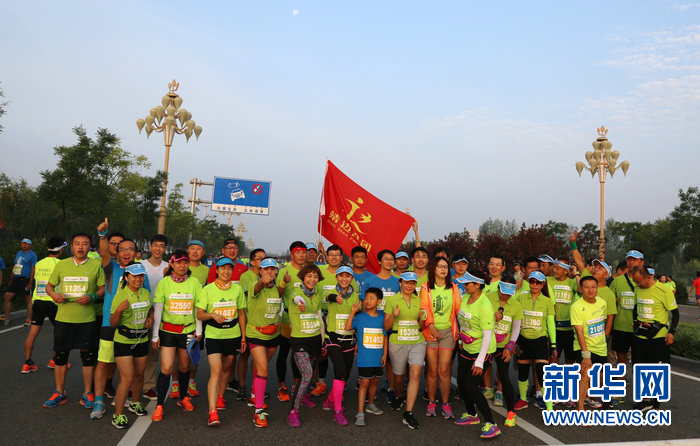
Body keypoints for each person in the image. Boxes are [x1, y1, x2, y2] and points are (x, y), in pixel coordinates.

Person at [92, 221, 148, 419]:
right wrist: (102, 235)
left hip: (133, 329)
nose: (126, 252)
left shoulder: (141, 273)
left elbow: (147, 299)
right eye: (122, 249)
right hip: (110, 325)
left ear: (136, 253)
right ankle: (98, 401)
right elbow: (104, 252)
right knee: (104, 363)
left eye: (130, 249)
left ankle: (129, 399)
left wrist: (149, 318)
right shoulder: (111, 268)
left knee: (130, 370)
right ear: (116, 252)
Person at [43, 233, 105, 408]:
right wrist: (54, 295)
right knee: (60, 356)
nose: (81, 247)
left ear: (89, 247)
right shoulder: (61, 265)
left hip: (87, 320)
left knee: (88, 358)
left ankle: (87, 393)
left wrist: (92, 297)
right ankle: (59, 392)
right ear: (71, 246)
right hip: (64, 319)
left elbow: (102, 289)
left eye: (85, 244)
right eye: (77, 243)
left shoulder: (96, 265)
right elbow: (49, 286)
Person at [151, 250, 203, 422]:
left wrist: (199, 330)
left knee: (184, 366)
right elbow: (158, 310)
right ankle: (160, 405)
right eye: (179, 262)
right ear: (172, 264)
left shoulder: (194, 282)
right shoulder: (164, 283)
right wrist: (155, 335)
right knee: (166, 368)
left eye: (185, 262)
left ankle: (183, 397)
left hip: (187, 331)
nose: (182, 266)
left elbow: (198, 307)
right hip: (168, 331)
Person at [196, 257, 247, 427]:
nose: (226, 272)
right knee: (216, 371)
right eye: (223, 268)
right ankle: (212, 412)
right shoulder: (208, 289)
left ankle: (220, 396)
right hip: (214, 335)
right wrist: (212, 315)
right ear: (216, 270)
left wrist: (243, 337)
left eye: (229, 269)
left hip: (232, 334)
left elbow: (241, 313)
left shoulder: (237, 289)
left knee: (227, 368)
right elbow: (199, 314)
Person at [452, 271, 501, 439]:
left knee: (471, 386)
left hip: (483, 351)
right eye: (464, 283)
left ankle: (491, 424)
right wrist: (461, 338)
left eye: (467, 284)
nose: (464, 286)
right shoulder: (466, 297)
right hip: (467, 348)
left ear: (478, 285)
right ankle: (472, 415)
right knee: (461, 382)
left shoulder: (485, 305)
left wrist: (480, 361)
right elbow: (464, 321)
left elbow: (487, 335)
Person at [109, 262, 153, 428]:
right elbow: (112, 323)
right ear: (127, 277)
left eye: (141, 276)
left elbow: (150, 309)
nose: (138, 279)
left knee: (139, 375)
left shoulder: (145, 293)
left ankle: (135, 403)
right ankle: (118, 414)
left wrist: (151, 317)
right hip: (124, 341)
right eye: (134, 276)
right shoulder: (120, 295)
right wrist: (119, 310)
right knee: (127, 378)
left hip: (141, 339)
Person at [630, 265, 679, 411]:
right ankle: (644, 399)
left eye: (639, 281)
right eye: (635, 282)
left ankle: (654, 402)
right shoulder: (637, 289)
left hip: (658, 336)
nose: (637, 284)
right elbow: (635, 307)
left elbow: (675, 314)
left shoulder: (664, 290)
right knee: (638, 368)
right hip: (639, 334)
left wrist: (671, 332)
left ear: (649, 277)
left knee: (654, 369)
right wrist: (635, 322)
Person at [420, 256, 461, 419]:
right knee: (432, 370)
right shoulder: (426, 287)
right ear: (433, 269)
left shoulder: (454, 287)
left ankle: (445, 404)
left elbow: (459, 309)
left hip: (448, 333)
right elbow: (424, 307)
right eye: (439, 266)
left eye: (445, 266)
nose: (443, 269)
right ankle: (431, 402)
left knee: (444, 370)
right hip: (431, 332)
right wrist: (431, 326)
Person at [385, 272, 425, 430]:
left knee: (415, 373)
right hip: (398, 342)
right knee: (399, 377)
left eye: (412, 283)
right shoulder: (392, 300)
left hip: (417, 341)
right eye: (406, 282)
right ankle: (400, 396)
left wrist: (422, 319)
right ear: (400, 283)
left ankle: (408, 412)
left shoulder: (419, 300)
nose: (409, 286)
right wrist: (393, 316)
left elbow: (422, 326)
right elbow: (386, 326)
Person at [246, 257, 283, 428]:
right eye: (266, 269)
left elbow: (281, 294)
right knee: (263, 369)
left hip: (273, 334)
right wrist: (263, 281)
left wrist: (284, 282)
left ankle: (254, 394)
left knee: (261, 365)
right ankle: (258, 412)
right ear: (260, 271)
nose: (270, 272)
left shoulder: (276, 289)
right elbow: (259, 286)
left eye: (272, 269)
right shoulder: (255, 286)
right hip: (256, 333)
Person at [286, 264, 325, 427]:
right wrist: (301, 303)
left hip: (315, 340)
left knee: (310, 373)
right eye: (309, 276)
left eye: (315, 276)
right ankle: (293, 411)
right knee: (307, 374)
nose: (312, 279)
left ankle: (304, 396)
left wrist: (323, 341)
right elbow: (297, 299)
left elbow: (319, 318)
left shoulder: (317, 295)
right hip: (299, 341)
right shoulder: (296, 292)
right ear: (303, 277)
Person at [322, 265, 360, 425]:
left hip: (349, 339)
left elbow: (358, 318)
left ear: (352, 278)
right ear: (336, 277)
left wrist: (358, 340)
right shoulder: (331, 292)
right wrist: (334, 298)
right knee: (340, 371)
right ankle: (337, 411)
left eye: (348, 276)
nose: (344, 279)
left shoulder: (356, 296)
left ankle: (329, 401)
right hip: (333, 338)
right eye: (341, 276)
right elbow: (327, 297)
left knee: (345, 374)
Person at [22, 237, 66, 373]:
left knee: (33, 333)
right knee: (59, 331)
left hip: (38, 301)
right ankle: (55, 360)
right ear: (60, 250)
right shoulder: (61, 264)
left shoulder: (39, 263)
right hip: (53, 301)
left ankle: (27, 363)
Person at [346, 287, 387, 426]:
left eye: (371, 298)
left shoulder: (382, 318)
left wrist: (385, 354)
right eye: (366, 298)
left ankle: (371, 404)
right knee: (364, 383)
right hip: (365, 358)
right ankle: (360, 412)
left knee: (374, 381)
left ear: (379, 301)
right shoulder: (359, 317)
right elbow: (347, 327)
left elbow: (385, 337)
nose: (368, 301)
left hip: (378, 357)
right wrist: (352, 312)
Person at [362, 249, 400, 402]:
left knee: (390, 361)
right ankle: (369, 391)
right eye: (386, 259)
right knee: (372, 360)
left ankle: (391, 388)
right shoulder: (370, 281)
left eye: (392, 259)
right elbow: (364, 306)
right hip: (374, 327)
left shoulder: (398, 282)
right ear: (379, 261)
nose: (389, 262)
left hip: (392, 327)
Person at [514, 271, 555, 411]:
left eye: (538, 282)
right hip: (523, 339)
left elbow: (550, 323)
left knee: (542, 373)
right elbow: (514, 316)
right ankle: (523, 399)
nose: (534, 285)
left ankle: (549, 407)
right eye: (532, 281)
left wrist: (553, 343)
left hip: (540, 340)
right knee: (523, 372)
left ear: (543, 284)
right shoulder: (521, 297)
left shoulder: (548, 301)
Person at [486, 279, 521, 427]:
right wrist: (492, 317)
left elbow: (516, 328)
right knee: (475, 374)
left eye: (509, 293)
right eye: (503, 292)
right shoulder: (487, 298)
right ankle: (472, 410)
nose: (505, 296)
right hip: (487, 344)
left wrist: (510, 346)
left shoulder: (516, 305)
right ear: (498, 288)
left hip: (503, 347)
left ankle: (511, 412)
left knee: (505, 376)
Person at [276, 241, 308, 402]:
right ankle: (282, 386)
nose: (301, 255)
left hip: (305, 319)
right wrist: (284, 282)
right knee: (284, 352)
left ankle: (297, 384)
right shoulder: (284, 271)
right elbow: (278, 294)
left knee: (299, 353)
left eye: (303, 252)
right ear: (292, 255)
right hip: (288, 319)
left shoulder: (309, 271)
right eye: (298, 252)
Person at [570, 276, 608, 411]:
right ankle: (580, 408)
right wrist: (586, 355)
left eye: (593, 287)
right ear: (581, 288)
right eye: (586, 287)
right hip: (583, 346)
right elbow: (579, 331)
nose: (590, 290)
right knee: (585, 375)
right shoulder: (576, 307)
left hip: (600, 347)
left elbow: (603, 322)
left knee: (599, 378)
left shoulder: (602, 303)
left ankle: (587, 396)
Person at [236, 248, 266, 403]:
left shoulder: (269, 275)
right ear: (252, 262)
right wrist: (262, 282)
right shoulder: (246, 276)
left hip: (263, 323)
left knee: (258, 358)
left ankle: (256, 388)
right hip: (248, 321)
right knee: (244, 355)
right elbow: (249, 293)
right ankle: (242, 386)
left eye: (264, 258)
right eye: (260, 258)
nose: (263, 261)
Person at [142, 235, 170, 401]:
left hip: (160, 315)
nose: (158, 249)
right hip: (142, 313)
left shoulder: (169, 267)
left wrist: (167, 276)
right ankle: (131, 386)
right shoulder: (141, 265)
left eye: (161, 246)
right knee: (137, 354)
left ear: (165, 249)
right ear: (150, 247)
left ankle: (148, 386)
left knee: (153, 354)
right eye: (155, 245)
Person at [607, 250, 645, 371]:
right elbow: (610, 302)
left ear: (642, 262)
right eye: (629, 259)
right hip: (621, 326)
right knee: (621, 357)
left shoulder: (646, 281)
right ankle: (621, 378)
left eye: (635, 260)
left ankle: (639, 379)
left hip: (640, 327)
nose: (631, 262)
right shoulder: (617, 281)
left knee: (639, 359)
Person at [547, 259, 579, 364]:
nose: (554, 270)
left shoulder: (572, 282)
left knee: (570, 360)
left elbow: (581, 289)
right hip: (554, 329)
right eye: (554, 267)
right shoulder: (548, 280)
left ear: (566, 271)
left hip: (570, 329)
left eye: (558, 268)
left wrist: (576, 274)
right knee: (553, 359)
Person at [3, 238, 37, 326]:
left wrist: (30, 283)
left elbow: (33, 269)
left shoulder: (32, 255)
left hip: (26, 279)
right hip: (16, 279)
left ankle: (28, 319)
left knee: (28, 299)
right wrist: (11, 279)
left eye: (26, 243)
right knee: (6, 297)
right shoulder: (18, 253)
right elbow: (15, 265)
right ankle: (7, 319)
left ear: (30, 245)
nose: (24, 245)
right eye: (23, 243)